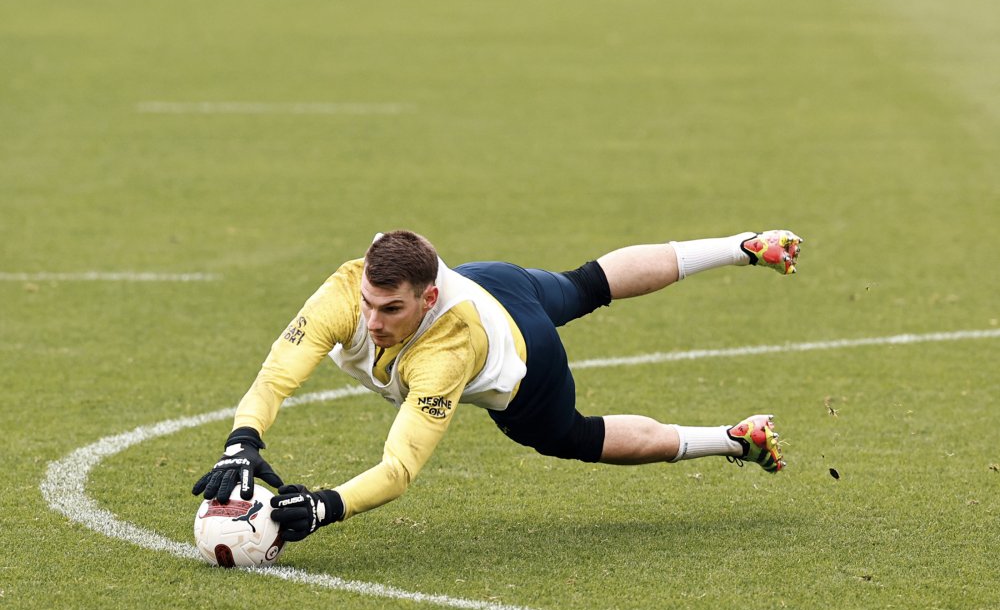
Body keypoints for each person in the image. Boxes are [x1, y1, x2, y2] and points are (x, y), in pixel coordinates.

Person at [192, 229, 802, 542]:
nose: (373, 322)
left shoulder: (445, 354)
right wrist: (242, 441)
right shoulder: (348, 290)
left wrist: (327, 505)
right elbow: (278, 372)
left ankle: (733, 439)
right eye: (369, 305)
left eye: (392, 310)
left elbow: (399, 468)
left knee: (570, 436)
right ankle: (745, 246)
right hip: (492, 281)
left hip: (521, 347)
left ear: (428, 298)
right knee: (588, 283)